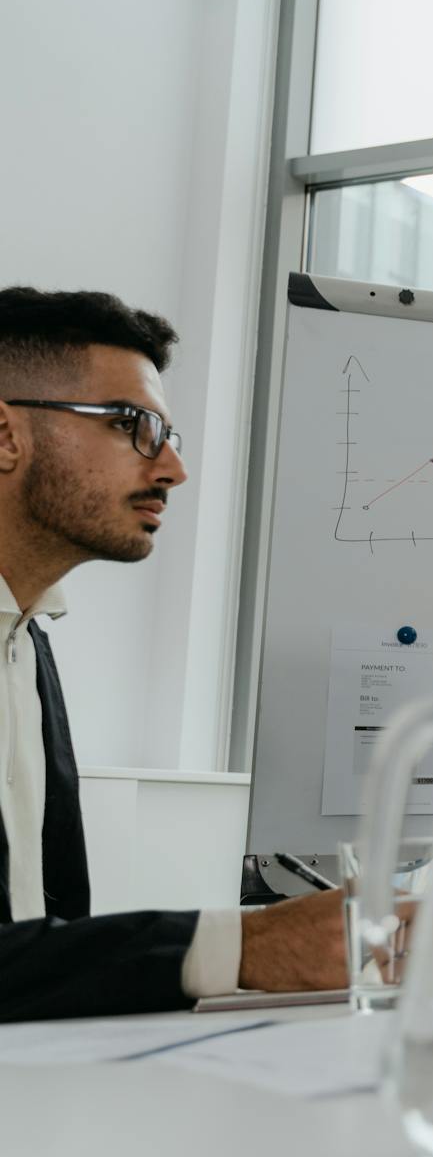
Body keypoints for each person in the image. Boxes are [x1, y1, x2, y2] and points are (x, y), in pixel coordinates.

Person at [0, 287, 348, 1021]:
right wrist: (240, 949)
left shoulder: (25, 644)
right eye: (132, 425)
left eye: (168, 436)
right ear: (5, 437)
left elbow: (31, 948)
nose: (171, 469)